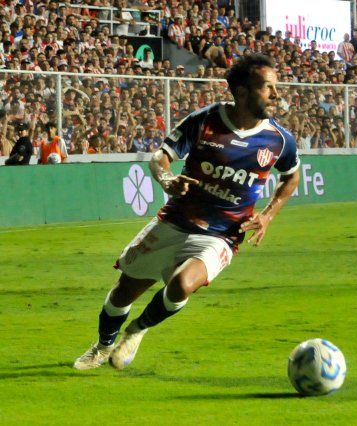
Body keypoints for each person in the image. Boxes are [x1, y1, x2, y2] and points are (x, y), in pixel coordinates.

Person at [73, 54, 301, 370]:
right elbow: (160, 157)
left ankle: (138, 329)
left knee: (182, 285)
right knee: (123, 292)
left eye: (275, 87)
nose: (276, 95)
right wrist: (167, 179)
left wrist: (268, 215)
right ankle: (102, 346)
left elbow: (292, 176)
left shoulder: (279, 139)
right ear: (242, 91)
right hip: (175, 221)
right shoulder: (205, 120)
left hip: (223, 234)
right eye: (267, 87)